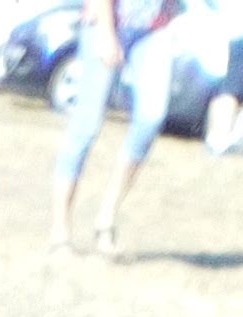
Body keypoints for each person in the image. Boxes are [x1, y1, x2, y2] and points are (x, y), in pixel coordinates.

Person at [53, 0, 182, 252]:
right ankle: (60, 232)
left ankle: (106, 218)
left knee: (151, 117)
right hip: (107, 20)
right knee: (86, 125)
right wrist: (106, 32)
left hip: (154, 28)